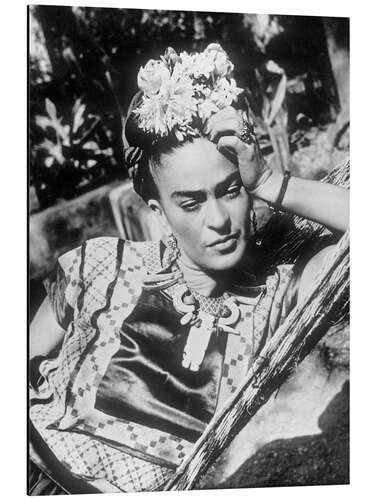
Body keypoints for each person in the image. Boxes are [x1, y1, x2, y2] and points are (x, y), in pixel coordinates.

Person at [29, 44, 349, 493]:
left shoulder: (282, 298)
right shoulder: (102, 264)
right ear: (159, 212)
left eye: (231, 190)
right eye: (191, 202)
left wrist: (271, 183)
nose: (217, 220)